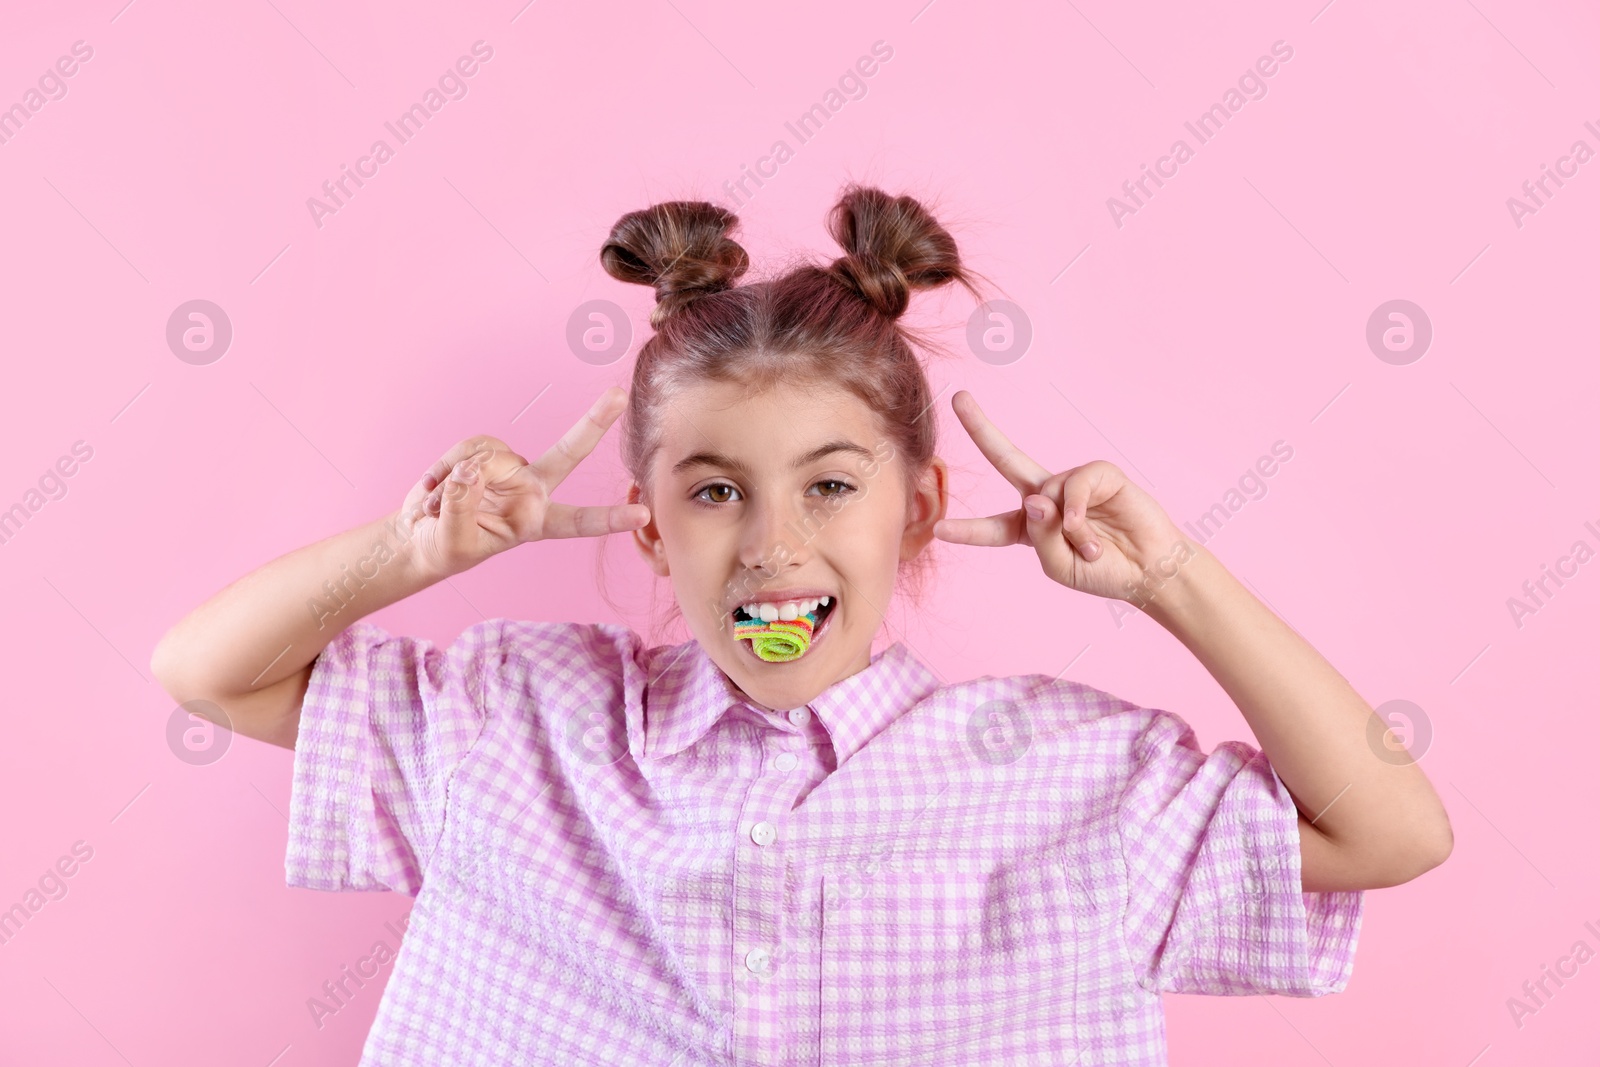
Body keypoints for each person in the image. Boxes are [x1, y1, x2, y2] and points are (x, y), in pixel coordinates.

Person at [150, 183, 1453, 1066]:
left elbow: (1391, 831)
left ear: (918, 511)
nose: (774, 544)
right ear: (651, 523)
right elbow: (206, 675)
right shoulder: (514, 719)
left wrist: (1174, 580)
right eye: (717, 491)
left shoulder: (1074, 779)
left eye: (831, 485)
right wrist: (407, 550)